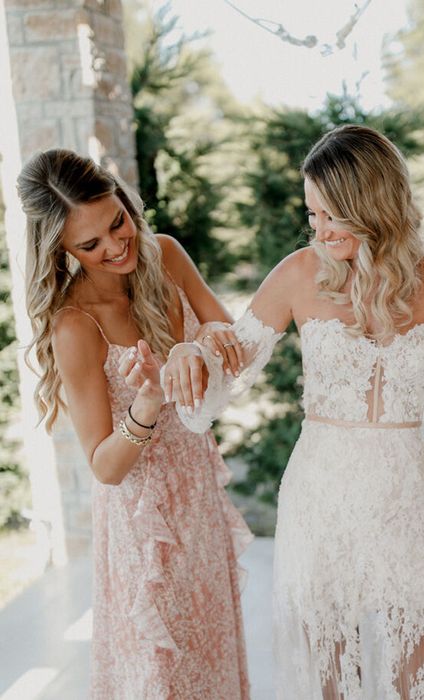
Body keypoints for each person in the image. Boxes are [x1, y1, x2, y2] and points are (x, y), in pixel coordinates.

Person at [163, 124, 424, 699]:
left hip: (402, 494)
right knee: (327, 673)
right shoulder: (299, 274)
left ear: (372, 205)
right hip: (320, 489)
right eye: (313, 216)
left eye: (332, 215)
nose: (320, 230)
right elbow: (229, 366)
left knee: (416, 667)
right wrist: (192, 352)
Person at [19, 149, 252, 699]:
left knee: (212, 657)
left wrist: (202, 347)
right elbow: (105, 466)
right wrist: (146, 404)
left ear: (124, 201)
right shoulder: (75, 325)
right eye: (90, 245)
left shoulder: (165, 254)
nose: (115, 246)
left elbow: (230, 336)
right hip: (143, 531)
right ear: (61, 250)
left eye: (116, 222)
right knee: (161, 676)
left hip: (198, 498)